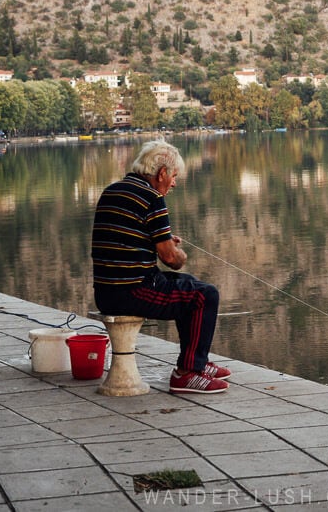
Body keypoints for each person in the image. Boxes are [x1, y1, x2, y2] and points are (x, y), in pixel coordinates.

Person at [91, 139, 230, 394]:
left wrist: (159, 240)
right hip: (130, 291)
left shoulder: (113, 189)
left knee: (190, 285)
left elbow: (126, 238)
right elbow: (171, 260)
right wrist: (178, 252)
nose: (174, 183)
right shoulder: (152, 197)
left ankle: (196, 362)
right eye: (174, 176)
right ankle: (187, 374)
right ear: (162, 173)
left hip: (105, 292)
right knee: (205, 295)